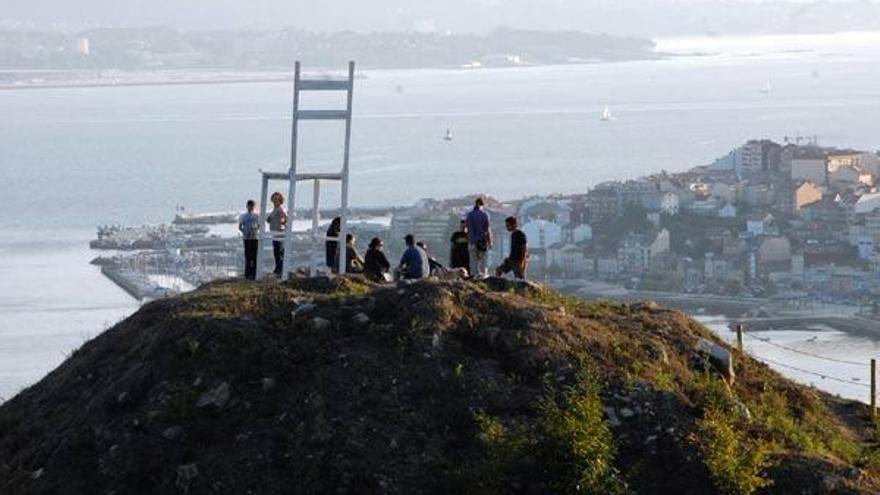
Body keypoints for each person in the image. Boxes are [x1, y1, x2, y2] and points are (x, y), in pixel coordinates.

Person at [465, 197, 493, 278]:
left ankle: (474, 277)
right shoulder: (484, 215)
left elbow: (466, 228)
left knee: (473, 262)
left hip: (472, 242)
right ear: (482, 205)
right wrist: (490, 242)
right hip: (482, 242)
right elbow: (487, 229)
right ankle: (484, 277)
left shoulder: (470, 215)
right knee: (484, 261)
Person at [266, 192, 288, 276]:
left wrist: (282, 222)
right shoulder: (274, 209)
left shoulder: (280, 209)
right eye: (274, 199)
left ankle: (280, 269)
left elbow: (286, 218)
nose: (275, 201)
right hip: (275, 233)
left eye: (277, 199)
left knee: (279, 251)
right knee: (276, 251)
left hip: (279, 232)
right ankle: (278, 268)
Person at [238, 200, 260, 280]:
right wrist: (245, 232)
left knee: (254, 257)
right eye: (250, 206)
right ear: (247, 206)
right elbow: (240, 226)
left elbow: (259, 225)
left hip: (254, 238)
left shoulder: (256, 216)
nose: (251, 207)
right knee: (248, 256)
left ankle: (254, 273)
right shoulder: (244, 216)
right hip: (247, 238)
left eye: (252, 206)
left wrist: (255, 230)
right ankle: (247, 274)